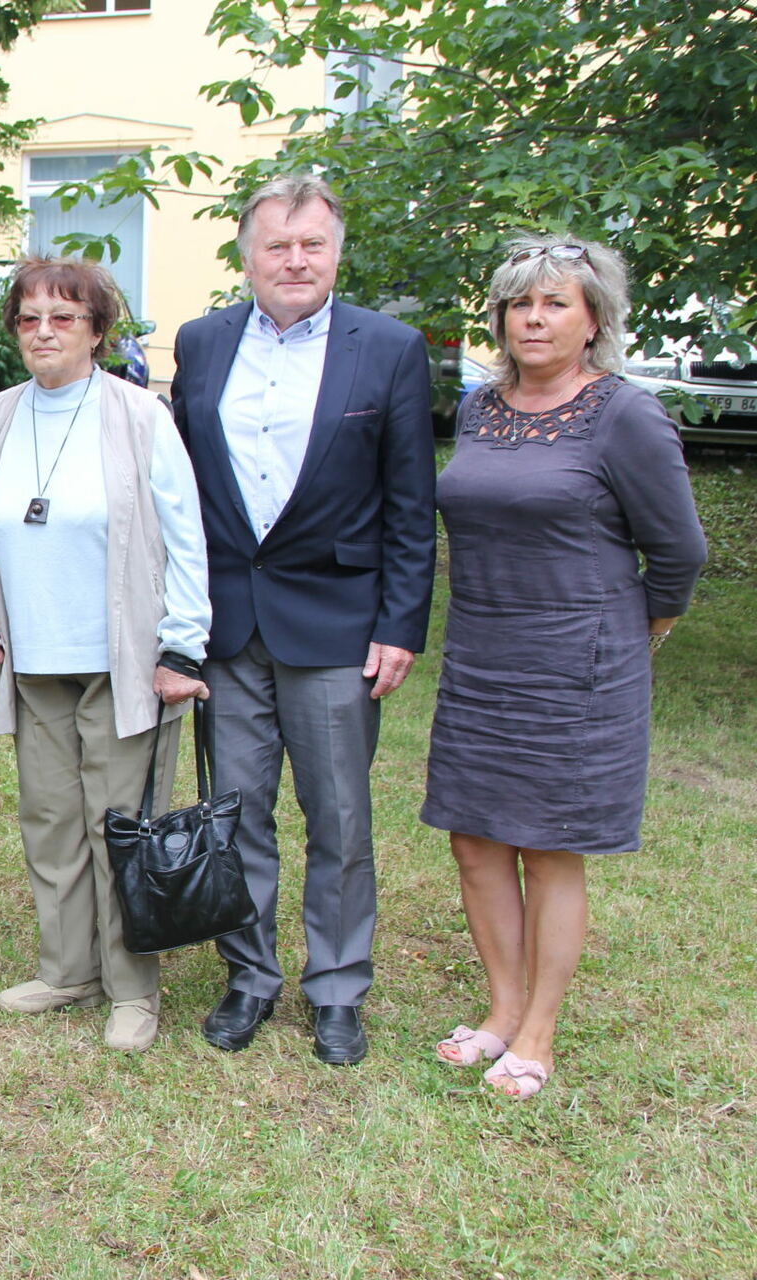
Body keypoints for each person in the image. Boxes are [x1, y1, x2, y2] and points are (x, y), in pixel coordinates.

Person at [422, 235, 705, 1099]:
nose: (533, 319)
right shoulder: (480, 407)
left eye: (554, 304)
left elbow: (680, 553)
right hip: (481, 653)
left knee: (548, 849)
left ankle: (538, 1032)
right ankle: (501, 1010)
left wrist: (628, 632)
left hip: (578, 665)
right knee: (474, 840)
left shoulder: (625, 413)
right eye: (518, 303)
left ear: (594, 321)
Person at [170, 174, 435, 1065]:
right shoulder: (202, 344)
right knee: (236, 810)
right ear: (245, 255)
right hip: (230, 625)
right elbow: (188, 495)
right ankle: (249, 976)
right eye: (276, 245)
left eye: (311, 244)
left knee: (340, 817)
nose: (294, 260)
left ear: (335, 252)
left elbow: (411, 503)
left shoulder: (388, 348)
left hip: (337, 624)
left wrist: (400, 625)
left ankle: (336, 989)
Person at [0, 257, 209, 1052]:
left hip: (123, 659)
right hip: (33, 657)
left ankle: (133, 987)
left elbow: (184, 534)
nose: (43, 332)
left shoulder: (137, 415)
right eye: (29, 319)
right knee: (51, 820)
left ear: (97, 331)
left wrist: (181, 645)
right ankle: (69, 968)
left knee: (119, 826)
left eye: (63, 318)